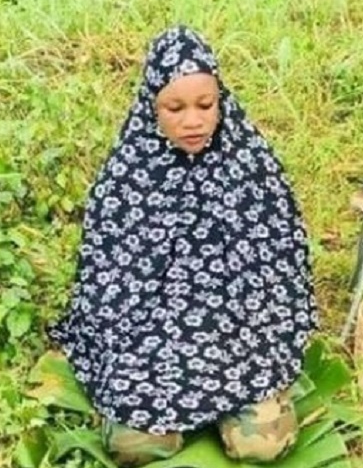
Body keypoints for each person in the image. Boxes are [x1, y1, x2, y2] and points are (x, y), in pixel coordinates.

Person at [47, 25, 319, 467]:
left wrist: (244, 342)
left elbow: (279, 280)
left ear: (221, 102)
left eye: (205, 105)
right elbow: (108, 293)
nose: (192, 120)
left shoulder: (253, 170)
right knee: (134, 448)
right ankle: (172, 415)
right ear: (151, 105)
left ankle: (234, 407)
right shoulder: (125, 180)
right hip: (150, 346)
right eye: (174, 107)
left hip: (237, 340)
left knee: (262, 445)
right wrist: (141, 357)